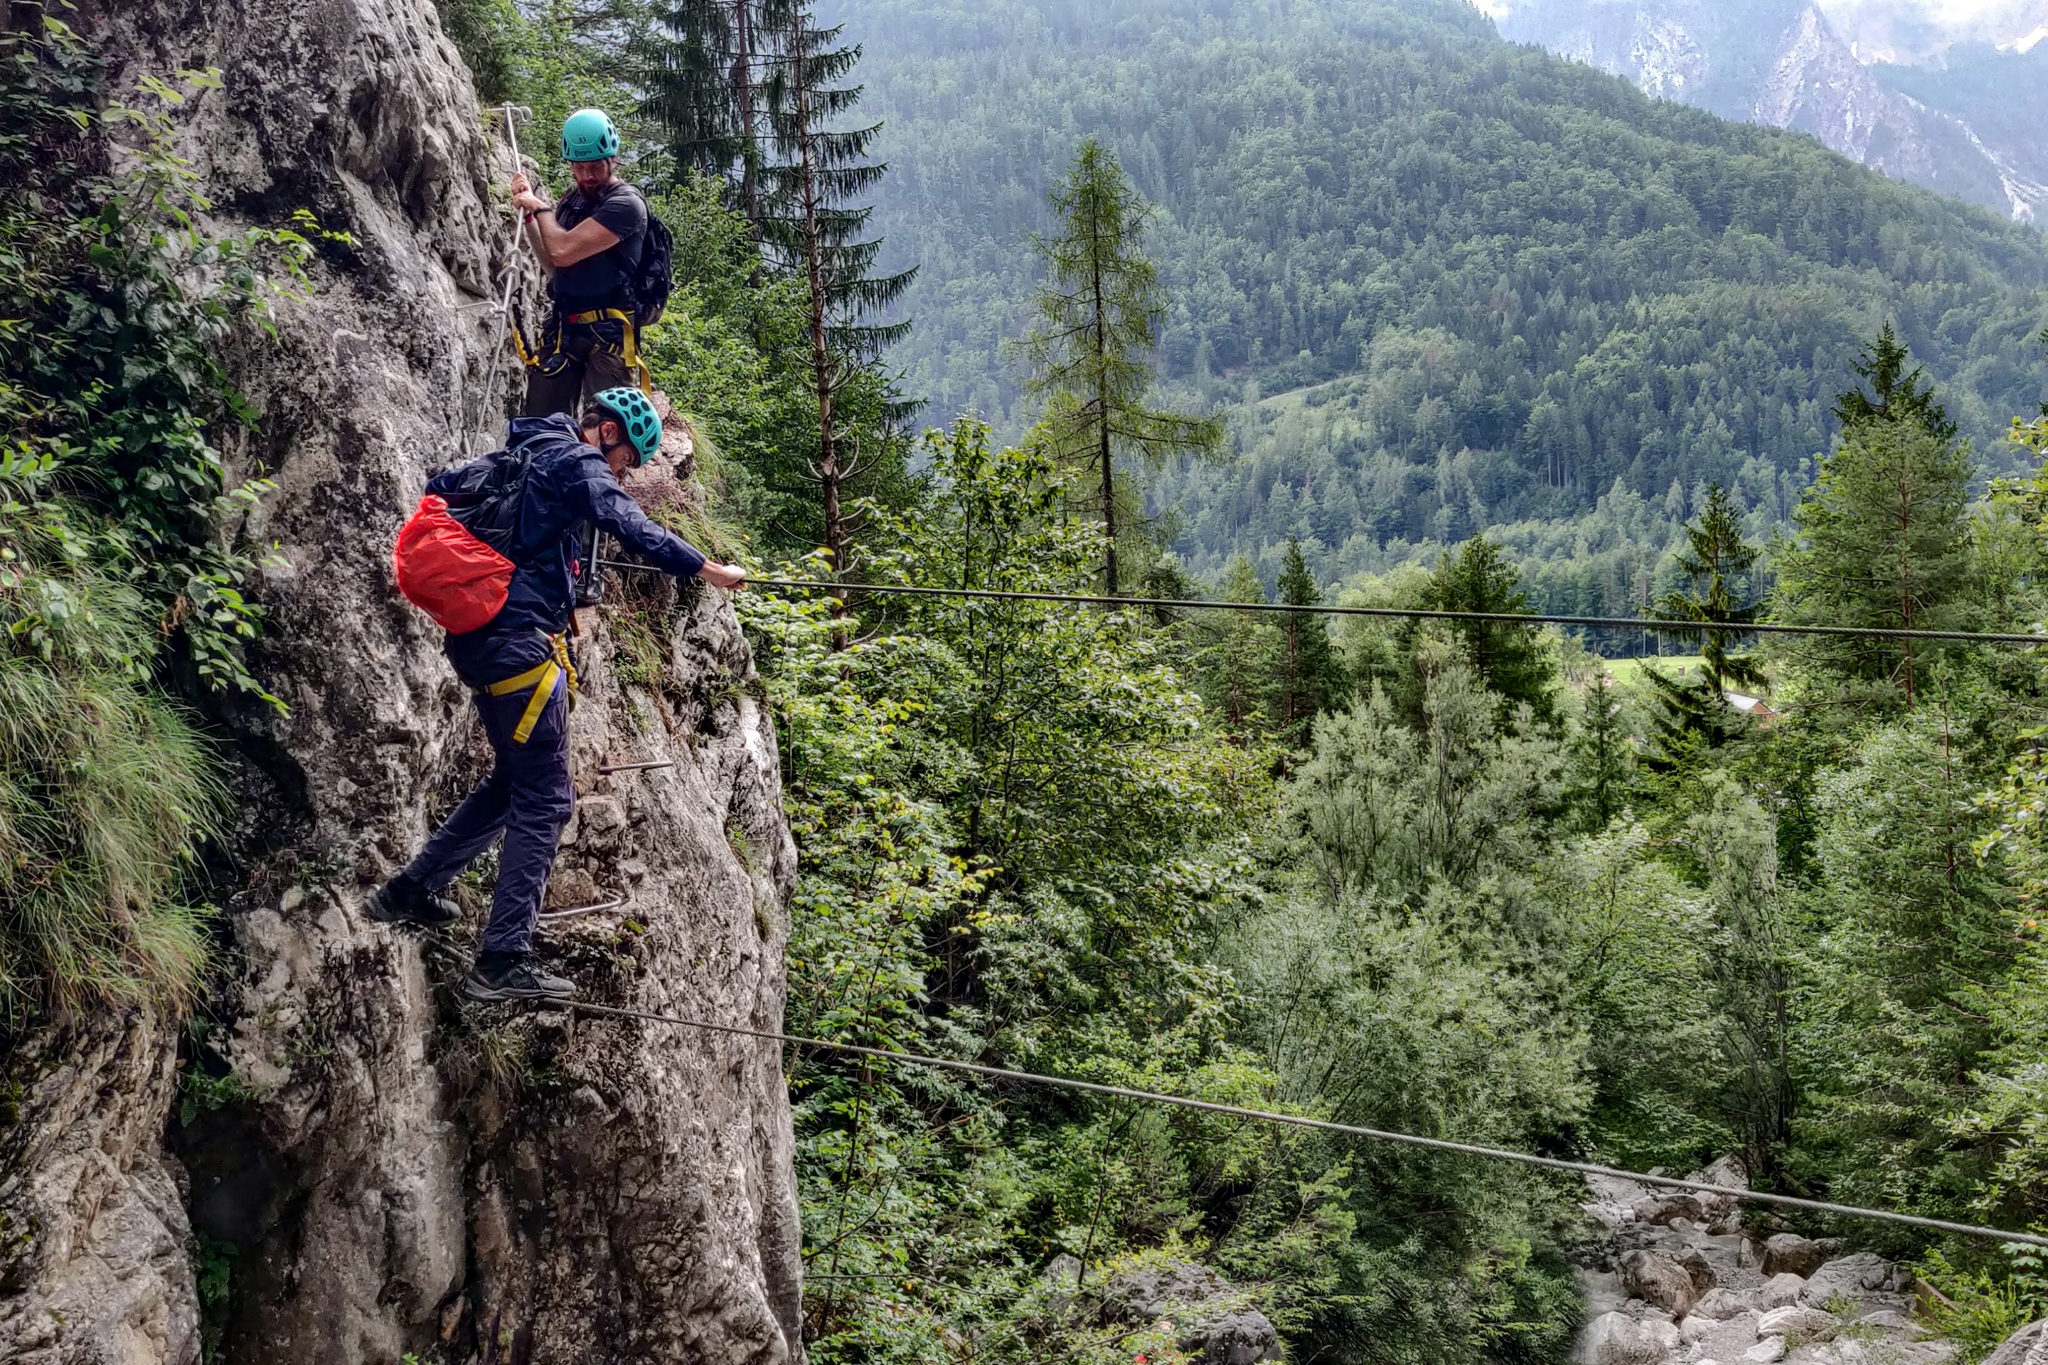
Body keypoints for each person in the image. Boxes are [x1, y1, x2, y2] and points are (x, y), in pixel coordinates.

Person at [371, 388, 748, 1001]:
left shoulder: (522, 456)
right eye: (626, 457)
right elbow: (630, 524)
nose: (622, 470)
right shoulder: (577, 463)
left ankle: (411, 890)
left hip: (481, 640)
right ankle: (501, 960)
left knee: (511, 784)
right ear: (604, 433)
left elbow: (444, 484)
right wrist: (708, 570)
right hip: (519, 645)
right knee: (546, 800)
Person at [513, 108, 650, 419]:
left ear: (613, 160)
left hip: (610, 337)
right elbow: (554, 266)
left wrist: (541, 208)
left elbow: (563, 251)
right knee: (541, 427)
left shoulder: (625, 204)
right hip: (565, 328)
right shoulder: (572, 203)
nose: (587, 176)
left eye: (595, 167)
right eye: (579, 167)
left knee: (606, 433)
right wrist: (531, 216)